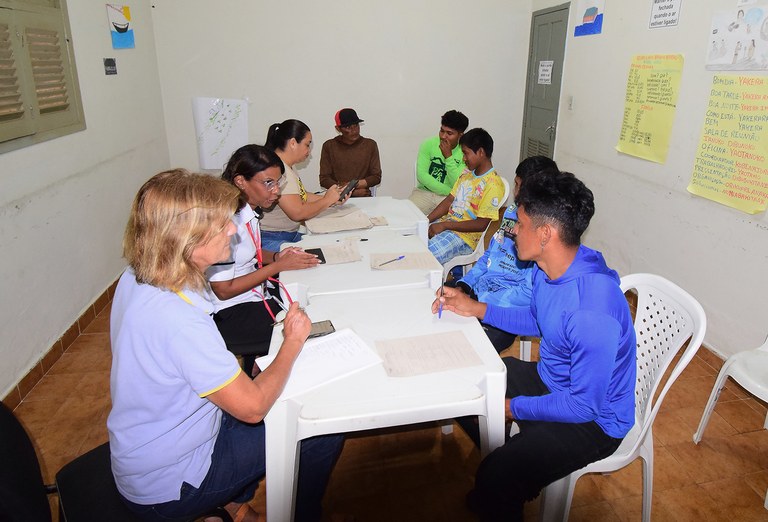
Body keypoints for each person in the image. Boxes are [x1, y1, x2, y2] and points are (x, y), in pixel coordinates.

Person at [108, 169, 343, 522]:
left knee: (271, 387)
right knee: (320, 428)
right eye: (223, 225)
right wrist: (291, 343)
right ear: (189, 238)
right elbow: (252, 409)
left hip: (149, 446)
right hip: (173, 482)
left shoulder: (138, 276)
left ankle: (234, 504)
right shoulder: (178, 320)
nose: (233, 230)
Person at [433, 171, 636, 521]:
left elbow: (583, 406)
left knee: (496, 475)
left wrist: (512, 408)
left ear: (545, 234)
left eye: (520, 224)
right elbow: (542, 320)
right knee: (467, 385)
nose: (512, 231)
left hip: (594, 420)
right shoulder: (548, 268)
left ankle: (506, 475)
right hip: (552, 382)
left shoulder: (592, 310)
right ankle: (513, 466)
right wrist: (476, 308)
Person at [208, 144, 320, 377]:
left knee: (313, 301)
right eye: (268, 183)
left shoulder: (249, 211)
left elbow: (252, 254)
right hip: (230, 312)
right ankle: (262, 382)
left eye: (278, 182)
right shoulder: (226, 221)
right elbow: (223, 290)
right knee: (306, 334)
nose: (276, 191)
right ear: (240, 181)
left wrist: (278, 256)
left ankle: (256, 365)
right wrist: (278, 266)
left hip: (253, 295)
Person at [451, 156, 559, 352]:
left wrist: (479, 301)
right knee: (437, 298)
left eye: (519, 186)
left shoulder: (544, 241)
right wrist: (466, 285)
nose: (515, 192)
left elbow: (528, 294)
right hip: (481, 291)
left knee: (465, 349)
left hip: (505, 309)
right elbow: (490, 256)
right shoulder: (511, 213)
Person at [260, 119, 346, 251]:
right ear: (293, 143)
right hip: (272, 237)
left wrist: (332, 199)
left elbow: (302, 196)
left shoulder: (286, 166)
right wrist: (327, 200)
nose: (309, 151)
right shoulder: (278, 169)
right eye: (307, 145)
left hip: (287, 234)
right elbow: (298, 213)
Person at [426, 127, 505, 265]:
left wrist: (445, 226)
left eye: (466, 153)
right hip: (447, 225)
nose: (463, 158)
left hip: (465, 238)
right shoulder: (466, 175)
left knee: (426, 256)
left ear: (481, 152)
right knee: (413, 241)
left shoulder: (493, 184)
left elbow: (481, 224)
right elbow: (449, 200)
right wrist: (426, 220)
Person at [409, 110, 470, 215]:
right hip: (424, 193)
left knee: (453, 222)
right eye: (442, 131)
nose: (443, 136)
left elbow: (457, 183)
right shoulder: (428, 144)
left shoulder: (465, 152)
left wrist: (448, 157)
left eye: (449, 133)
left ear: (460, 135)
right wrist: (450, 191)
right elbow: (422, 175)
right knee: (407, 215)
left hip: (449, 199)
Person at [319, 108, 382, 197]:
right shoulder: (329, 146)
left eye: (356, 125)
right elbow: (324, 179)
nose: (354, 130)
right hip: (337, 198)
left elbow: (376, 177)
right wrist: (349, 191)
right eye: (348, 127)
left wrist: (356, 185)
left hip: (364, 197)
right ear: (338, 129)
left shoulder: (370, 145)